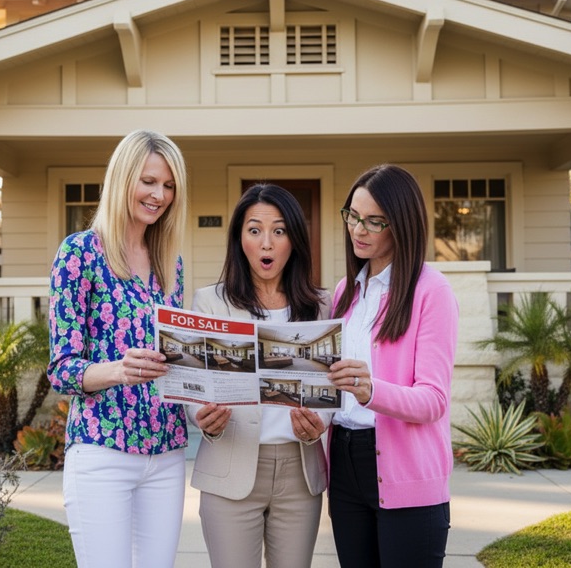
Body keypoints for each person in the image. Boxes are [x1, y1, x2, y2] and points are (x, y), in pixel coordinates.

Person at [47, 129, 189, 568]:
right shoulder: (79, 253)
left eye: (168, 186)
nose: (159, 195)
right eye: (148, 181)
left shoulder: (170, 262)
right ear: (123, 178)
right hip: (102, 449)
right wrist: (118, 369)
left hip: (166, 451)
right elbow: (62, 369)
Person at [187, 183, 332, 568]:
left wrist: (319, 424)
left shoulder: (320, 306)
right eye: (254, 230)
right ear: (240, 239)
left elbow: (332, 383)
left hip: (299, 476)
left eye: (279, 231)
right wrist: (203, 418)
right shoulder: (210, 302)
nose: (266, 243)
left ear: (294, 240)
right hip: (229, 468)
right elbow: (195, 382)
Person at [326, 164, 459, 568]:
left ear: (400, 225)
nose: (358, 230)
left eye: (373, 222)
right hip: (345, 464)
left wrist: (372, 391)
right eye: (352, 215)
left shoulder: (431, 291)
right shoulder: (345, 292)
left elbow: (433, 399)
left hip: (406, 471)